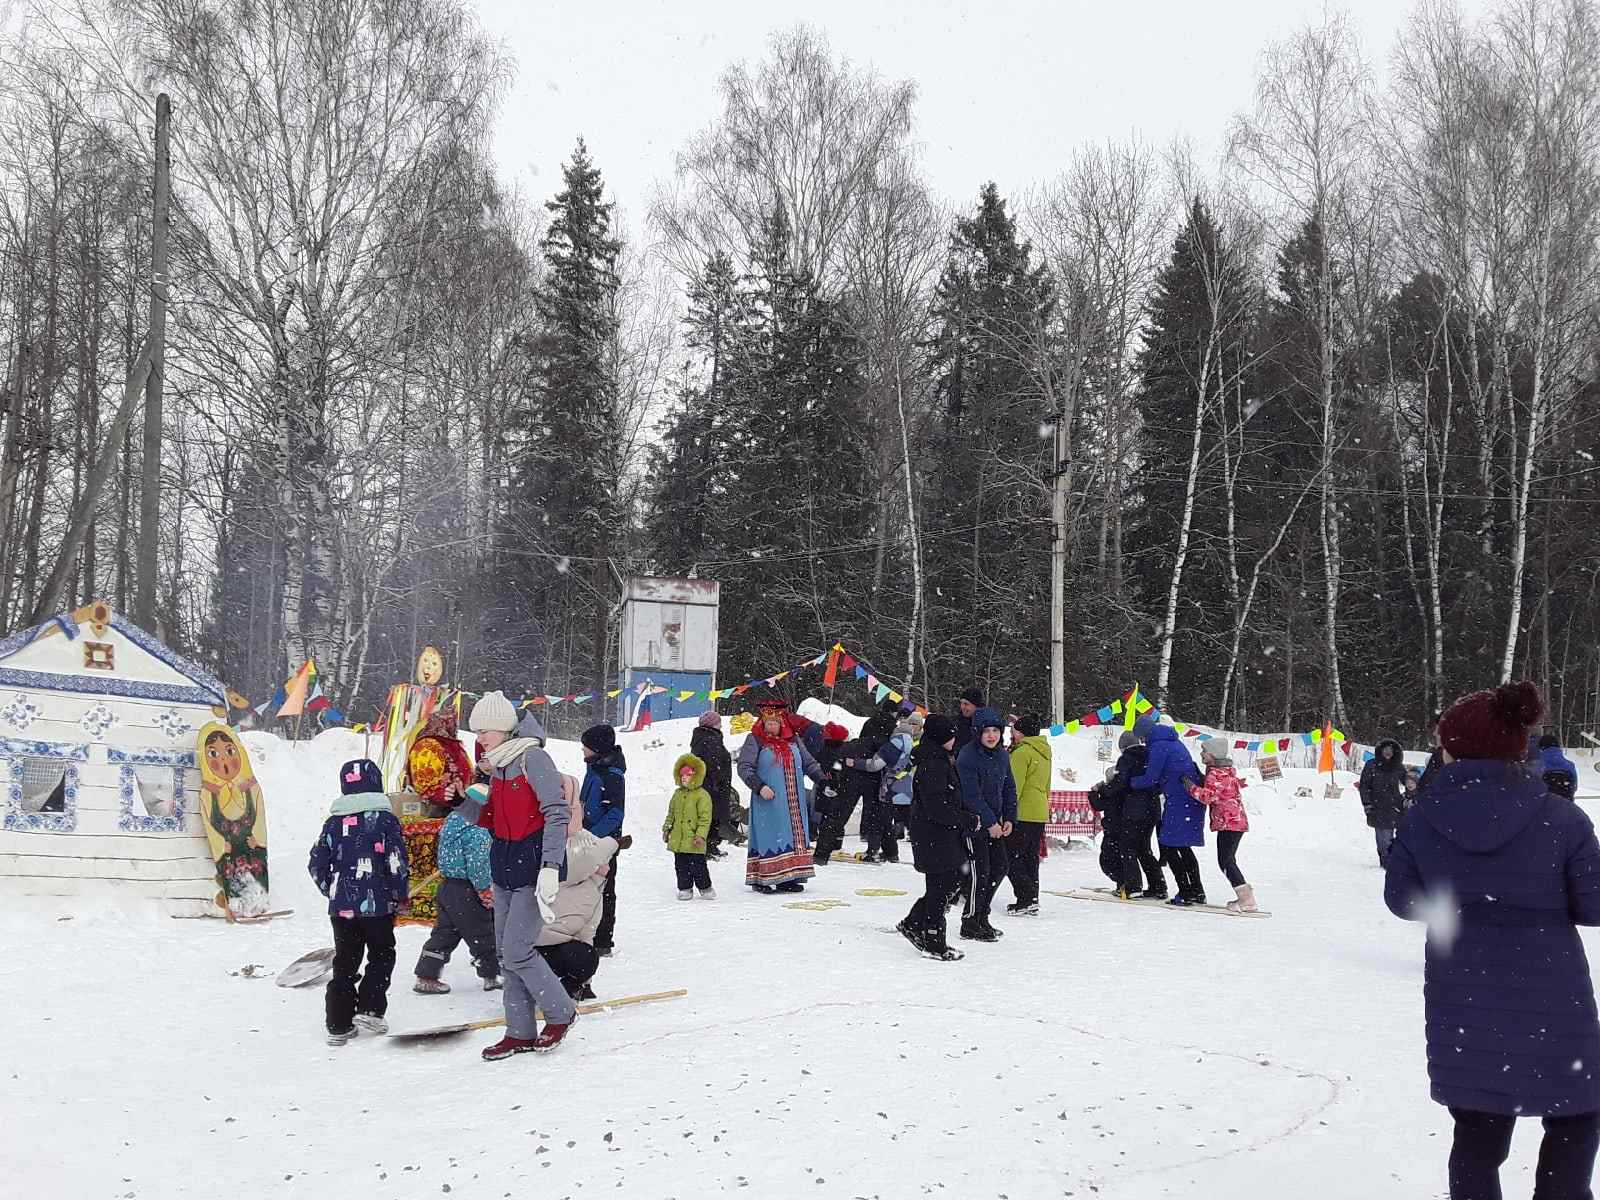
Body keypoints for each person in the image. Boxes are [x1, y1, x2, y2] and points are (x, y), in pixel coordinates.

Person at [1385, 681, 1600, 1199]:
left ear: (1454, 748)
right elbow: (1595, 906)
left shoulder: (1422, 819)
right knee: (1575, 1121)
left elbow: (1402, 899)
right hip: (1555, 1000)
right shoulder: (1562, 819)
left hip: (1465, 1002)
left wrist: (1459, 906)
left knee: (1478, 1134)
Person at [453, 693, 578, 1060]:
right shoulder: (498, 767)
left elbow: (557, 814)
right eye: (477, 732)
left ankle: (561, 1013)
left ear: (504, 727)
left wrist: (552, 867)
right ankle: (519, 1031)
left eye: (485, 731)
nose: (480, 739)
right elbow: (489, 819)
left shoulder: (531, 758)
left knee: (518, 950)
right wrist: (458, 802)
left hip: (535, 867)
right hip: (504, 865)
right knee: (507, 955)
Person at [307, 758, 410, 1046]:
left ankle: (338, 1024)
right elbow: (396, 862)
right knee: (381, 955)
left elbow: (316, 862)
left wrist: (333, 890)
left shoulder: (332, 823)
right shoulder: (385, 821)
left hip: (341, 908)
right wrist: (399, 894)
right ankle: (370, 1008)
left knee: (345, 961)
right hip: (377, 906)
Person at [536, 793, 628, 1002]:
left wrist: (584, 981)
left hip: (552, 950)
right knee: (582, 956)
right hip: (535, 947)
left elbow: (587, 933)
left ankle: (565, 989)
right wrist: (612, 844)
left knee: (587, 956)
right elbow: (588, 856)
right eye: (604, 862)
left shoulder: (594, 890)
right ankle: (538, 987)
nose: (606, 867)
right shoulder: (571, 870)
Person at [900, 713, 972, 961]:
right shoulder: (933, 763)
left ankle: (915, 923)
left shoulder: (938, 759)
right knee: (942, 885)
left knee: (947, 882)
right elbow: (937, 806)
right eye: (951, 736)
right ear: (942, 737)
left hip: (938, 833)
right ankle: (933, 939)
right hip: (933, 834)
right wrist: (964, 819)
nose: (955, 740)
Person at [736, 699, 825, 893]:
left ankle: (788, 878)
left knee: (791, 837)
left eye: (776, 722)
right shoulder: (755, 739)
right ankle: (763, 879)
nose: (772, 726)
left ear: (782, 723)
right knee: (770, 837)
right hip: (769, 800)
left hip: (793, 801)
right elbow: (744, 767)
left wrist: (822, 779)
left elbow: (808, 763)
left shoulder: (793, 739)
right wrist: (759, 787)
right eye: (768, 722)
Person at [412, 803, 500, 994]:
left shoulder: (452, 822)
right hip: (468, 889)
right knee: (483, 932)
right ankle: (492, 975)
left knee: (444, 934)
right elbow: (479, 864)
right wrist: (484, 889)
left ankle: (426, 975)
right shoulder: (478, 831)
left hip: (448, 887)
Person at [956, 707, 1016, 941]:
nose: (992, 736)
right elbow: (971, 795)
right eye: (987, 731)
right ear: (977, 733)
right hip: (974, 824)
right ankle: (969, 920)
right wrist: (990, 822)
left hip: (996, 824)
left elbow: (1009, 787)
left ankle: (982, 914)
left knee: (1000, 866)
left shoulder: (1002, 754)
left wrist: (1010, 817)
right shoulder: (968, 756)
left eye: (995, 731)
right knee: (979, 872)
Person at [1133, 724, 1205, 906]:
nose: (1142, 742)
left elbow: (1151, 777)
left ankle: (1185, 892)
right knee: (1183, 846)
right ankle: (1197, 891)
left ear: (1145, 735)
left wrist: (1130, 782)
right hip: (1189, 798)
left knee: (1169, 846)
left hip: (1180, 799)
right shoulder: (1174, 741)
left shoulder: (1158, 746)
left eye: (1141, 738)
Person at [1191, 738, 1255, 912]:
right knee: (1228, 860)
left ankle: (1246, 899)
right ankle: (1244, 896)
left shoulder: (1216, 773)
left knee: (1226, 861)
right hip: (1235, 821)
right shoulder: (1224, 771)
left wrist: (1191, 787)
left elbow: (1208, 797)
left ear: (1213, 755)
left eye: (1204, 751)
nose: (1202, 754)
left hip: (1230, 822)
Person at [579, 724, 626, 958]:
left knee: (605, 889)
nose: (582, 751)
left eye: (585, 747)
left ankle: (603, 939)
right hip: (586, 838)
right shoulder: (594, 768)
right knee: (586, 888)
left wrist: (594, 835)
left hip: (604, 842)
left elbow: (616, 813)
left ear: (596, 748)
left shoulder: (612, 775)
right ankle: (585, 932)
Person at [1105, 728, 1166, 898]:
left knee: (1128, 848)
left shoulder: (1127, 759)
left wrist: (1105, 790)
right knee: (1144, 849)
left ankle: (1133, 886)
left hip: (1134, 811)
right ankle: (1158, 885)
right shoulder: (1150, 755)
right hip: (1153, 809)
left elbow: (1121, 782)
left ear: (1124, 747)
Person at [1005, 714, 1050, 915]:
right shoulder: (1044, 752)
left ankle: (1026, 896)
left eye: (1014, 730)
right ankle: (1032, 897)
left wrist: (1007, 811)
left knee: (1010, 856)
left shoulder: (1022, 753)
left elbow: (1014, 787)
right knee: (1030, 857)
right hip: (1039, 811)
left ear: (1020, 732)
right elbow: (1047, 786)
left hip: (1022, 812)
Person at [664, 753, 715, 900]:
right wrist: (667, 829)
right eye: (681, 775)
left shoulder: (702, 795)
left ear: (696, 776)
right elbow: (671, 813)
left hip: (694, 839)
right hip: (678, 839)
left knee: (698, 866)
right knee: (681, 866)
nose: (684, 778)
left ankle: (705, 887)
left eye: (688, 775)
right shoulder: (677, 794)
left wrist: (700, 835)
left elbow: (705, 819)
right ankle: (685, 888)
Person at [690, 711, 740, 857]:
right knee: (713, 817)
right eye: (719, 723)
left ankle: (708, 846)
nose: (721, 726)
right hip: (714, 787)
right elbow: (713, 764)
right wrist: (719, 781)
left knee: (709, 816)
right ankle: (708, 847)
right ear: (713, 725)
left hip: (708, 785)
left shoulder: (702, 738)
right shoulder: (710, 740)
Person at [881, 708, 923, 860]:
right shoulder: (905, 738)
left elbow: (909, 763)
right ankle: (892, 847)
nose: (912, 726)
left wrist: (898, 773)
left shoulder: (920, 741)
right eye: (910, 723)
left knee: (909, 815)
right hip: (899, 785)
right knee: (894, 813)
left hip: (912, 784)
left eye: (915, 724)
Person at [1359, 738, 1407, 868]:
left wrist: (1408, 797)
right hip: (1376, 805)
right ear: (1380, 751)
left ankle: (1389, 861)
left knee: (1388, 835)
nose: (1387, 752)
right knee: (1380, 835)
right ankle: (1384, 859)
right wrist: (1367, 804)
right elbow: (1364, 786)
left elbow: (1409, 782)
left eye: (1390, 750)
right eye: (1385, 750)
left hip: (1393, 806)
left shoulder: (1397, 766)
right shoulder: (1371, 765)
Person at [1538, 732, 1580, 800]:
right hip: (1566, 806)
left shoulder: (1536, 766)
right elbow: (1574, 788)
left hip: (1542, 806)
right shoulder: (1570, 765)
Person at [952, 687, 984, 752]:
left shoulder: (986, 724)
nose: (963, 707)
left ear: (976, 705)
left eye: (966, 704)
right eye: (961, 703)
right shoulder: (957, 721)